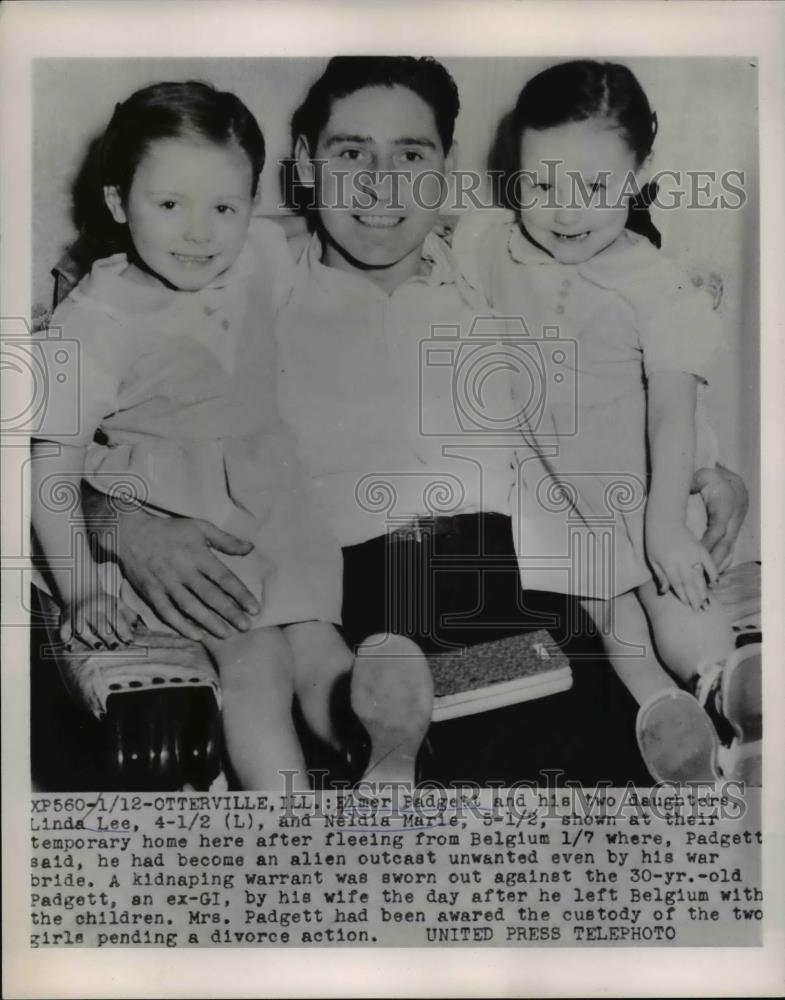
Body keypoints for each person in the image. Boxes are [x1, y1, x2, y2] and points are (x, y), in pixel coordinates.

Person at [83, 58, 750, 785]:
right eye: (349, 154)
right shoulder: (244, 271)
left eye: (409, 155)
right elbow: (97, 441)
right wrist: (125, 525)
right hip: (369, 614)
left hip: (545, 595)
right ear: (304, 165)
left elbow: (622, 380)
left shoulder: (502, 257)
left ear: (447, 168)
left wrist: (701, 469)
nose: (379, 184)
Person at [31, 80, 357, 790]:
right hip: (180, 519)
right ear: (120, 203)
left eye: (223, 207)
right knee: (256, 665)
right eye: (170, 204)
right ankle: (289, 828)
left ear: (249, 206)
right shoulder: (93, 323)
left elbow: (314, 231)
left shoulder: (258, 253)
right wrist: (83, 587)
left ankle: (380, 756)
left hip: (275, 509)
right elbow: (49, 473)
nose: (199, 233)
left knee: (319, 649)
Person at [452, 60, 760, 781]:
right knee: (607, 613)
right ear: (513, 172)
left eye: (594, 188)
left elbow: (671, 414)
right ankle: (662, 710)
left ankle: (727, 684)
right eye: (540, 185)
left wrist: (663, 525)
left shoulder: (656, 287)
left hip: (638, 479)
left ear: (641, 171)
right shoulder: (490, 243)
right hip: (550, 487)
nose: (565, 212)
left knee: (670, 589)